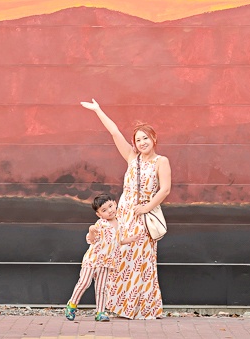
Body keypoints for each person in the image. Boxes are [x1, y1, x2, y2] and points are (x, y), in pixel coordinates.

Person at [80, 99, 171, 319]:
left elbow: (165, 189)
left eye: (145, 138)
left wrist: (146, 207)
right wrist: (98, 110)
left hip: (145, 216)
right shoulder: (132, 159)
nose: (142, 143)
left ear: (153, 138)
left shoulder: (161, 161)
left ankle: (144, 307)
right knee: (120, 256)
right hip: (123, 215)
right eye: (138, 140)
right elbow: (114, 132)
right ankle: (120, 306)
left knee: (143, 261)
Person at [64, 192, 138, 322]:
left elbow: (118, 241)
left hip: (107, 262)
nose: (109, 211)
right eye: (104, 210)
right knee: (84, 282)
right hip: (93, 260)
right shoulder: (101, 224)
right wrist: (91, 230)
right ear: (99, 214)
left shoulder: (120, 224)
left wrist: (131, 239)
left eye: (110, 206)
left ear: (115, 204)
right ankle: (71, 305)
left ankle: (100, 312)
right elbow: (91, 240)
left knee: (101, 287)